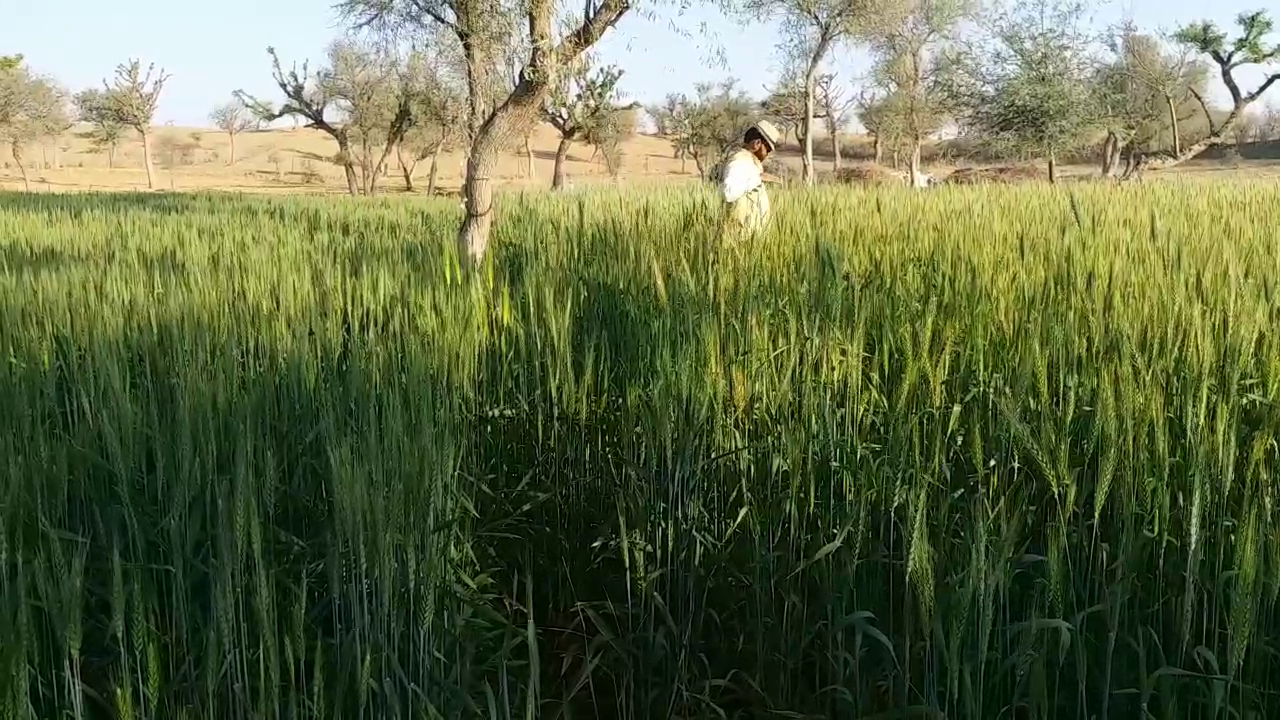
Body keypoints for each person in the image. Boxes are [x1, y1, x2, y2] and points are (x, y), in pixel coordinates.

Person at [718, 120, 782, 244]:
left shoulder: (748, 162)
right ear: (757, 143)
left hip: (749, 241)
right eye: (767, 150)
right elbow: (728, 193)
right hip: (738, 241)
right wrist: (758, 178)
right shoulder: (740, 161)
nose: (766, 155)